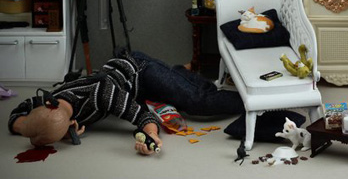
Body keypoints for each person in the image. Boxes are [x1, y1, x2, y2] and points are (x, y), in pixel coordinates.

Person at [8, 49, 244, 154]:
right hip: (129, 86)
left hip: (141, 71)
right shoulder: (48, 100)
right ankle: (179, 72)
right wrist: (25, 126)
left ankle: (252, 101)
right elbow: (17, 115)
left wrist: (150, 137)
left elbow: (143, 117)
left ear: (71, 122)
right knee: (175, 97)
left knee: (198, 103)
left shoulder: (102, 94)